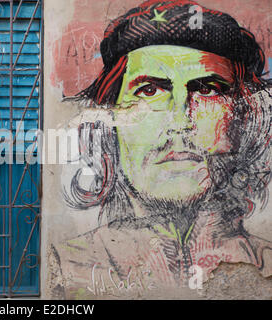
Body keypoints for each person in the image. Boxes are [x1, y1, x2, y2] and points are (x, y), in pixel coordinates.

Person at [50, 0, 272, 298]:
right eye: (150, 91)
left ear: (243, 121)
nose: (179, 121)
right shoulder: (71, 265)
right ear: (108, 121)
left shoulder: (265, 266)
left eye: (207, 90)